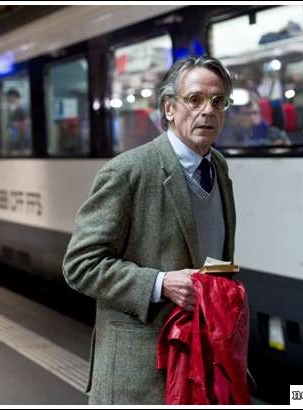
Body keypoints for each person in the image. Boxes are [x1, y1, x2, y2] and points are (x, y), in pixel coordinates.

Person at [63, 56, 237, 404]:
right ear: (169, 108)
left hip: (202, 364)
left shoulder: (217, 166)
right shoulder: (128, 172)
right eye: (195, 99)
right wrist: (160, 284)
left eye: (218, 101)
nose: (208, 111)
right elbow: (80, 266)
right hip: (143, 376)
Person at [5, 88, 27, 153]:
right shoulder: (11, 107)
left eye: (9, 97)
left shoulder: (21, 107)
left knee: (18, 146)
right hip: (13, 130)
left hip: (18, 131)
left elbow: (23, 120)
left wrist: (17, 124)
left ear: (13, 96)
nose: (8, 99)